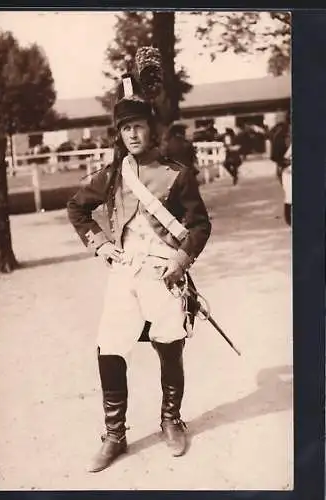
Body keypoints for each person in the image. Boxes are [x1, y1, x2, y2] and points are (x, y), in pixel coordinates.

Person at [67, 70, 211, 473]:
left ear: (152, 129)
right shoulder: (113, 174)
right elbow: (77, 208)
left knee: (170, 344)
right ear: (120, 133)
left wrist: (181, 261)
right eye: (126, 128)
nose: (133, 134)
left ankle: (171, 419)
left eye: (139, 126)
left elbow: (200, 225)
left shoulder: (176, 173)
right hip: (125, 272)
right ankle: (115, 434)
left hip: (164, 274)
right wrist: (101, 244)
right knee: (110, 347)